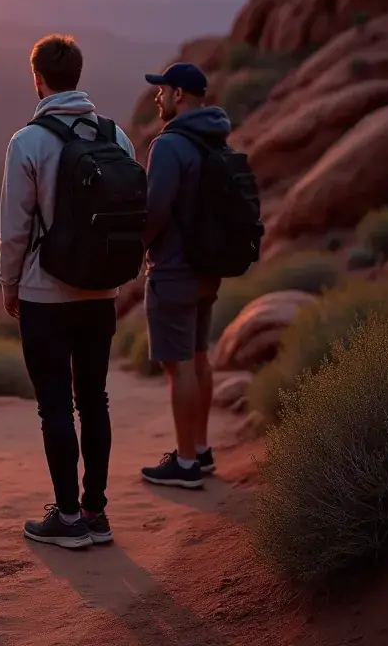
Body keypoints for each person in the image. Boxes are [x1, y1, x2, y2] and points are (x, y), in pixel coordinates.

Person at [0, 35, 138, 550]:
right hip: (100, 291)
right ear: (77, 75)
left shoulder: (27, 142)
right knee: (94, 399)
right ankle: (97, 511)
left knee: (55, 405)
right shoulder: (115, 135)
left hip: (44, 293)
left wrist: (9, 286)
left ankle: (69, 516)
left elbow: (15, 228)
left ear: (37, 78)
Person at [139, 63, 232, 490]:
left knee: (179, 368)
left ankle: (187, 462)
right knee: (198, 358)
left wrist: (137, 246)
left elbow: (156, 209)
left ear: (179, 94)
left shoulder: (170, 144)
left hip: (174, 269)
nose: (157, 97)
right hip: (208, 268)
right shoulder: (216, 137)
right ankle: (201, 448)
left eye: (161, 91)